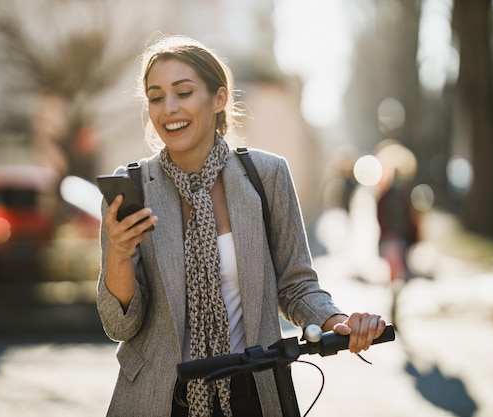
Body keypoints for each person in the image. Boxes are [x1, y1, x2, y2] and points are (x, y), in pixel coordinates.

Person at [97, 34, 386, 417]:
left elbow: (296, 285)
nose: (168, 108)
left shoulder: (265, 176)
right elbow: (119, 323)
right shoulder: (133, 188)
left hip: (253, 392)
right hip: (158, 399)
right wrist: (117, 254)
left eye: (183, 92)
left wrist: (337, 321)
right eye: (155, 97)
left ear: (219, 99)